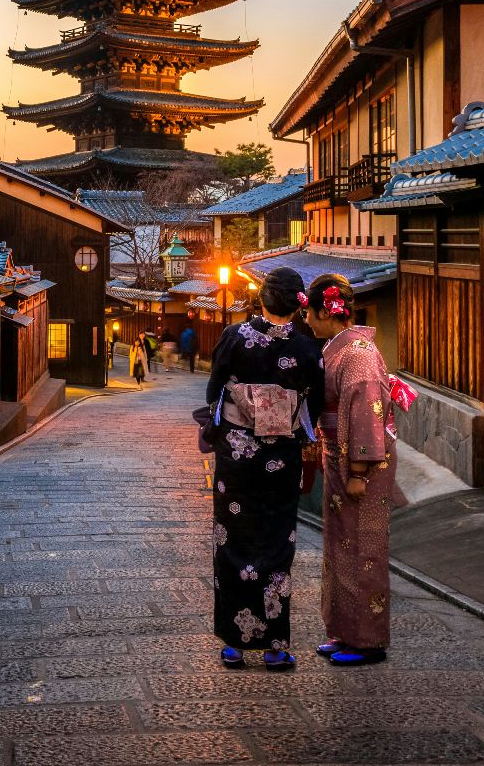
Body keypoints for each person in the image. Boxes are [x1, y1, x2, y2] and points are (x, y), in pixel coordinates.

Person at [201, 267, 323, 671]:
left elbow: (214, 389)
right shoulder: (308, 349)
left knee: (232, 538)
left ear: (262, 299)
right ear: (298, 303)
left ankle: (234, 644)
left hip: (237, 457)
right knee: (275, 543)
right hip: (280, 459)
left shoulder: (235, 337)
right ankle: (275, 646)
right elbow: (314, 405)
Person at [304, 273, 408, 666]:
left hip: (360, 464)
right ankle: (345, 631)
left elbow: (366, 415)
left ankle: (367, 640)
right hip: (340, 457)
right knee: (340, 545)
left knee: (363, 548)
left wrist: (359, 472)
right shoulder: (339, 348)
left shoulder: (358, 355)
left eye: (310, 314)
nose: (307, 322)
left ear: (326, 312)